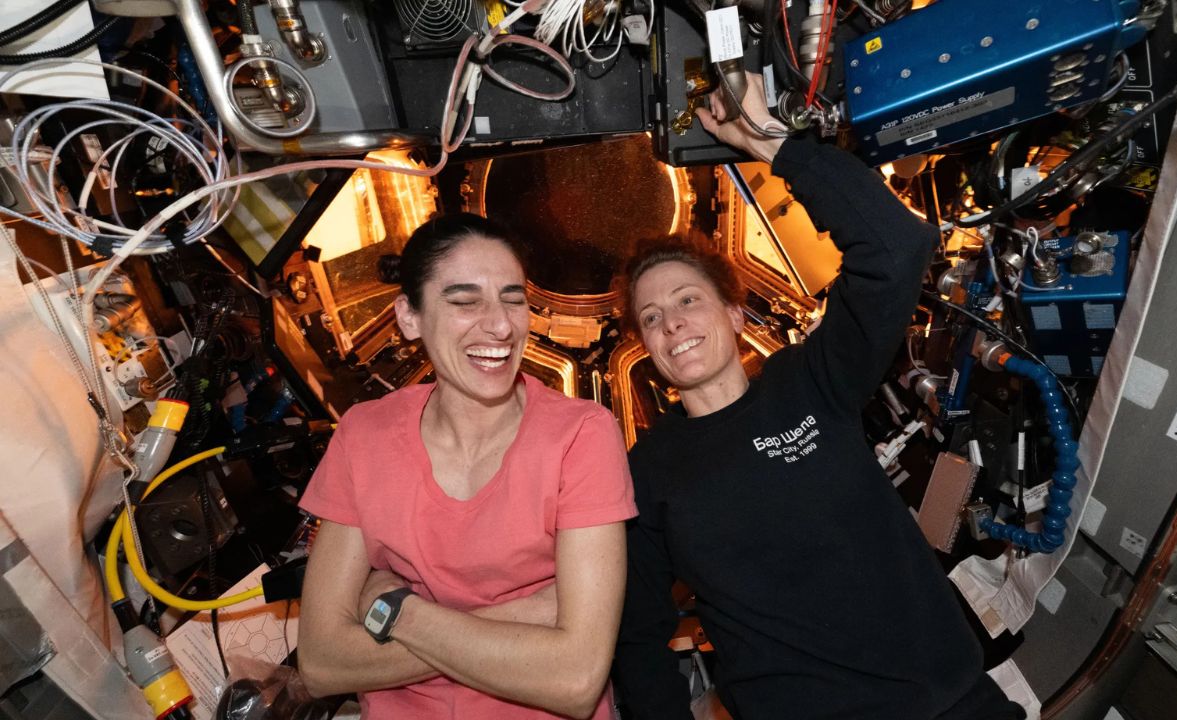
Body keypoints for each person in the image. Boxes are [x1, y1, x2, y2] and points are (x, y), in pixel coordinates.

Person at [610, 75, 1024, 719]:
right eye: (653, 317)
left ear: (735, 315)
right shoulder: (647, 470)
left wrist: (774, 144)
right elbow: (637, 638)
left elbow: (896, 247)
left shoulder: (811, 380)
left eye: (688, 300)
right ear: (647, 349)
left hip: (948, 704)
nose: (673, 325)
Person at [296, 214, 637, 719]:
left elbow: (574, 680)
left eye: (513, 298)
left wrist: (399, 611)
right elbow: (323, 663)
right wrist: (528, 620)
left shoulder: (582, 434)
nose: (500, 325)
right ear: (409, 317)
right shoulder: (364, 434)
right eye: (464, 302)